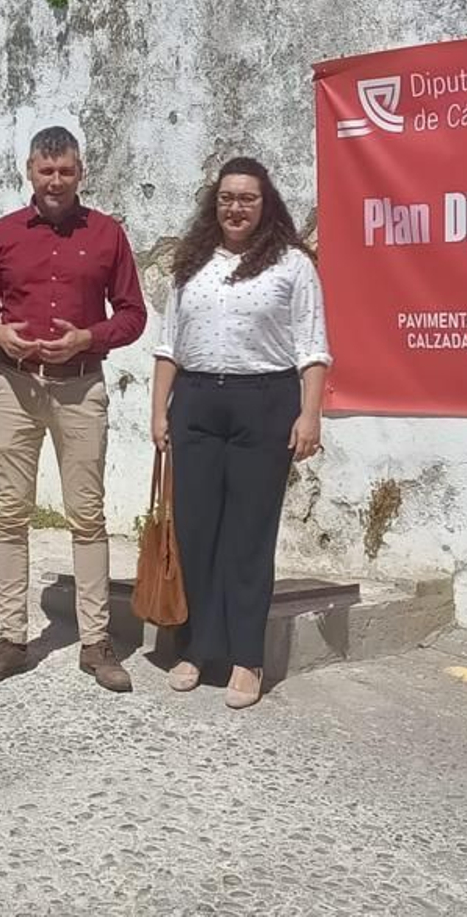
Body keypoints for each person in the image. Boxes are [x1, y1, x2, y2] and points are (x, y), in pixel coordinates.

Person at [0, 126, 147, 691]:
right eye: (47, 171)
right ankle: (12, 638)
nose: (56, 181)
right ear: (30, 172)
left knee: (87, 516)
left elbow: (133, 314)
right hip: (14, 386)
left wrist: (87, 338)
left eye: (66, 170)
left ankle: (95, 642)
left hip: (80, 386)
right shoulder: (4, 233)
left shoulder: (109, 234)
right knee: (10, 512)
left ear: (80, 171)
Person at [149, 156, 330, 710]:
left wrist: (310, 414)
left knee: (249, 538)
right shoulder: (192, 263)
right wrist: (159, 412)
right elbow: (169, 344)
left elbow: (313, 346)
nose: (236, 207)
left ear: (265, 202)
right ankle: (196, 649)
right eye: (227, 197)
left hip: (265, 403)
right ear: (215, 202)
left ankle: (247, 659)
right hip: (198, 403)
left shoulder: (293, 265)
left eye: (247, 198)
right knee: (197, 531)